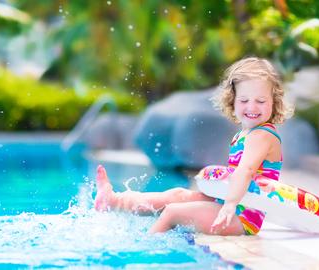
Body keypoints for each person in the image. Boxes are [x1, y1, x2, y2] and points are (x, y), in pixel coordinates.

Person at [94, 57, 293, 235]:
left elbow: (246, 171)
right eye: (244, 100)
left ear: (274, 103)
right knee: (176, 195)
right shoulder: (244, 134)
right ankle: (114, 201)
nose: (251, 107)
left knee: (173, 212)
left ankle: (146, 253)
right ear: (232, 101)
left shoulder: (262, 135)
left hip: (242, 217)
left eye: (260, 101)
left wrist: (230, 204)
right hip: (230, 203)